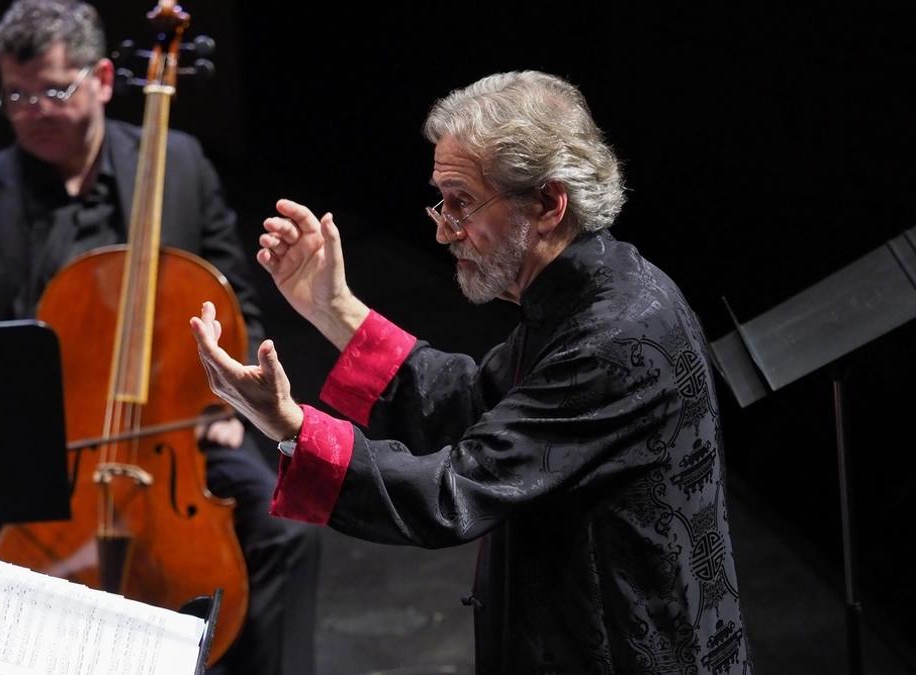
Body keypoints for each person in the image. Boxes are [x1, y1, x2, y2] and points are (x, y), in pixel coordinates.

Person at [192, 70, 753, 673]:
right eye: (441, 198)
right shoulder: (586, 293)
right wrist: (334, 307)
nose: (441, 227)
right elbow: (476, 404)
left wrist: (293, 428)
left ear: (547, 204)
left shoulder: (617, 336)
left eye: (462, 202)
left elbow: (453, 490)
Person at [0, 2, 319, 673]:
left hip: (173, 432)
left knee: (286, 527)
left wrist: (227, 396)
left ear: (102, 78)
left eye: (53, 90)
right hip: (46, 449)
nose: (33, 110)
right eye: (16, 94)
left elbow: (232, 296)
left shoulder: (179, 164)